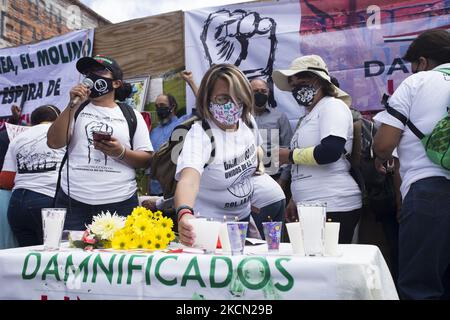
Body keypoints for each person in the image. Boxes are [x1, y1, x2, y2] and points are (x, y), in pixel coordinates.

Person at [373, 29, 450, 300]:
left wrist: (380, 157)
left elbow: (383, 145)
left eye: (413, 65)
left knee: (420, 288)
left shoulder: (418, 83)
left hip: (429, 193)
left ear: (423, 62)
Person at [47, 55, 153, 231]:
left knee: (119, 257)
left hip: (120, 202)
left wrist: (121, 152)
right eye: (88, 72)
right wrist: (72, 105)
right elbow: (53, 142)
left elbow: (147, 159)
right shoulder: (76, 109)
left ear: (116, 83)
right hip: (73, 201)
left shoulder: (132, 115)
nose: (91, 76)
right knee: (70, 257)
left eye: (100, 71)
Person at [274, 55, 362, 244]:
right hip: (311, 206)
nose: (296, 87)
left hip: (334, 204)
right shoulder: (309, 117)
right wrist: (295, 199)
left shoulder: (333, 106)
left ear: (319, 81)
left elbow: (330, 151)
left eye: (302, 81)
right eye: (293, 83)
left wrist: (288, 156)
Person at [175, 64, 261, 246]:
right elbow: (189, 179)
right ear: (207, 99)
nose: (232, 105)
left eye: (238, 98)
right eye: (223, 99)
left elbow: (257, 150)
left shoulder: (247, 121)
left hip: (243, 218)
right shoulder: (200, 135)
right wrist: (184, 213)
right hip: (210, 229)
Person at [0, 105, 64, 246]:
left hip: (17, 205)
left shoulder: (17, 138)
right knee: (52, 256)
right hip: (48, 201)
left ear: (32, 123)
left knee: (28, 260)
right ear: (59, 119)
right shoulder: (62, 133)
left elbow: (5, 180)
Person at [250, 78, 293, 179]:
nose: (260, 94)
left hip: (274, 176)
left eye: (263, 91)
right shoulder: (240, 118)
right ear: (248, 92)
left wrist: (283, 180)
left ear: (268, 93)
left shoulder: (279, 117)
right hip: (246, 177)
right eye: (255, 91)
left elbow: (288, 149)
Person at [148, 94, 181, 196]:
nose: (159, 109)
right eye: (157, 106)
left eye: (162, 105)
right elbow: (150, 162)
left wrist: (190, 81)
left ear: (173, 106)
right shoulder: (154, 132)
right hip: (155, 190)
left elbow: (202, 111)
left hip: (175, 189)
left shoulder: (182, 124)